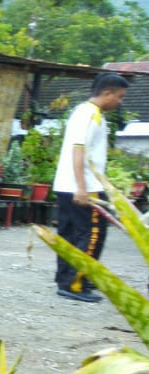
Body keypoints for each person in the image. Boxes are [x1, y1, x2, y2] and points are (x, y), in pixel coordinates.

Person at [53, 73, 129, 303]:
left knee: (68, 235)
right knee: (92, 234)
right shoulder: (89, 115)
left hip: (67, 184)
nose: (120, 102)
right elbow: (79, 151)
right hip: (82, 187)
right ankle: (75, 283)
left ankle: (67, 279)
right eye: (120, 96)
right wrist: (82, 187)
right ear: (107, 93)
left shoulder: (86, 113)